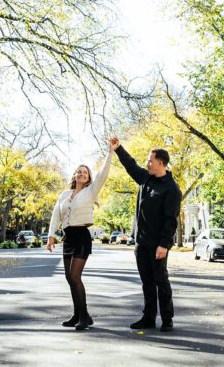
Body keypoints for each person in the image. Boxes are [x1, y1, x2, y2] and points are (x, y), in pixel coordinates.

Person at [109, 137, 182, 332]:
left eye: (150, 161)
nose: (147, 163)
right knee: (147, 282)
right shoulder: (146, 178)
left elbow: (170, 220)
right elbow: (131, 166)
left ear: (161, 163)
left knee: (161, 281)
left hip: (158, 245)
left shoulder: (171, 189)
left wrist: (164, 244)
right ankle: (148, 317)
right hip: (141, 243)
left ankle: (167, 319)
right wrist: (118, 148)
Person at [46, 141, 114, 330]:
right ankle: (77, 314)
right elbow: (55, 215)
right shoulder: (64, 194)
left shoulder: (90, 191)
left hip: (82, 236)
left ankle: (84, 316)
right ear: (75, 175)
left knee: (75, 276)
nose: (82, 174)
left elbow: (103, 174)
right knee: (69, 277)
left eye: (86, 172)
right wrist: (51, 236)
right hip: (68, 237)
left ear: (88, 177)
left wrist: (110, 152)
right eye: (79, 171)